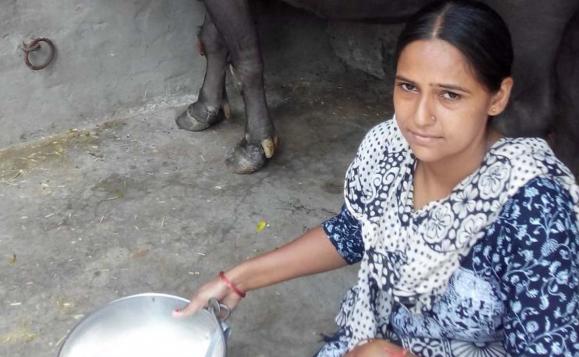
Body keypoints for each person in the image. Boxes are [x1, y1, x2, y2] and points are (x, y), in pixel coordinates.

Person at [174, 1, 579, 355]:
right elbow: (355, 231)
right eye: (408, 87)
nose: (420, 118)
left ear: (498, 97)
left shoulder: (535, 212)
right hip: (372, 339)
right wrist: (237, 279)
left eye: (450, 95)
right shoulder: (390, 148)